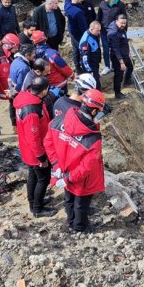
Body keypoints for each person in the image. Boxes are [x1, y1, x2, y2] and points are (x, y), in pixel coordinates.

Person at [45, 89, 109, 233]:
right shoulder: (92, 139)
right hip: (81, 179)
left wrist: (56, 164)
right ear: (94, 112)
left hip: (63, 169)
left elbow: (48, 141)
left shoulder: (62, 120)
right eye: (97, 111)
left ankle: (71, 222)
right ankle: (79, 227)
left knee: (69, 198)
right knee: (81, 203)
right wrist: (70, 178)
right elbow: (87, 167)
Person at [14, 76, 54, 217]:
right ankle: (37, 209)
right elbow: (34, 138)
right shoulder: (32, 110)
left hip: (27, 147)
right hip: (35, 151)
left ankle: (34, 201)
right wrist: (42, 157)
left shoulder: (25, 98)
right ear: (43, 91)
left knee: (33, 176)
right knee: (43, 179)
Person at [0, 33, 19, 132]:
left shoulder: (4, 53)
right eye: (16, 47)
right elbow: (5, 78)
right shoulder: (4, 63)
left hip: (9, 86)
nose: (17, 49)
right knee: (13, 104)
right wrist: (11, 91)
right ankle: (15, 125)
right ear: (9, 46)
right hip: (10, 88)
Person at [31, 30, 74, 96]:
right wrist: (71, 75)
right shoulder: (51, 53)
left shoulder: (33, 55)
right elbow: (62, 66)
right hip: (59, 83)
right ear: (45, 38)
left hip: (46, 84)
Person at [97, 0, 127, 76]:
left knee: (115, 49)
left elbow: (125, 19)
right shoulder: (102, 4)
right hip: (104, 31)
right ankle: (107, 66)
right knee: (105, 49)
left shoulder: (120, 5)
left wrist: (124, 32)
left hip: (115, 32)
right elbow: (99, 17)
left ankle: (115, 65)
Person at [9, 44, 35, 130]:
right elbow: (22, 86)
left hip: (13, 89)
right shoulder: (24, 68)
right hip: (20, 95)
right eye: (33, 53)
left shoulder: (15, 61)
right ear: (27, 55)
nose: (34, 55)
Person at [108, 14, 133, 100]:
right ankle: (117, 93)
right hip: (117, 57)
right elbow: (116, 49)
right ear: (116, 21)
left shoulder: (122, 29)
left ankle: (127, 80)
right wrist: (121, 62)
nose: (123, 25)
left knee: (130, 67)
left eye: (125, 23)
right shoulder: (113, 33)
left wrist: (128, 51)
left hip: (125, 54)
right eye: (121, 23)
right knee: (119, 75)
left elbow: (125, 41)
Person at [65, 0, 88, 73]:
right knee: (82, 51)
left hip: (72, 33)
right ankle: (85, 68)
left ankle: (77, 67)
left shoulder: (67, 6)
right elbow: (84, 27)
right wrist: (87, 36)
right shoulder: (78, 12)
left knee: (75, 50)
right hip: (79, 35)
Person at [79, 21, 103, 89]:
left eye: (99, 30)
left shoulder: (94, 34)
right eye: (97, 31)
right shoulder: (86, 41)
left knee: (96, 79)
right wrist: (89, 71)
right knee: (95, 83)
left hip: (95, 62)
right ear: (91, 29)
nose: (99, 33)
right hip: (90, 65)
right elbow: (84, 58)